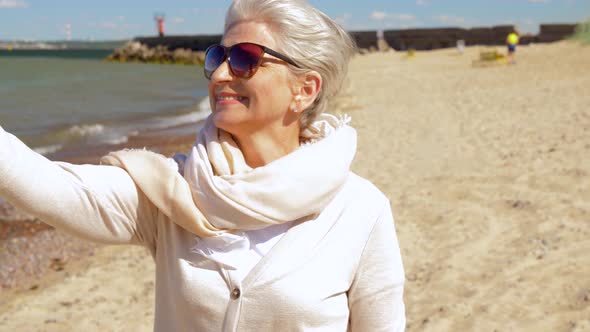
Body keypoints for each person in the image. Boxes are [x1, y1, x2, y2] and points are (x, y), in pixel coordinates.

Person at [0, 0, 406, 331]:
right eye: (218, 56)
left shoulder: (360, 210)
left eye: (246, 59)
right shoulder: (172, 192)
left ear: (304, 89)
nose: (222, 74)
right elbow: (44, 184)